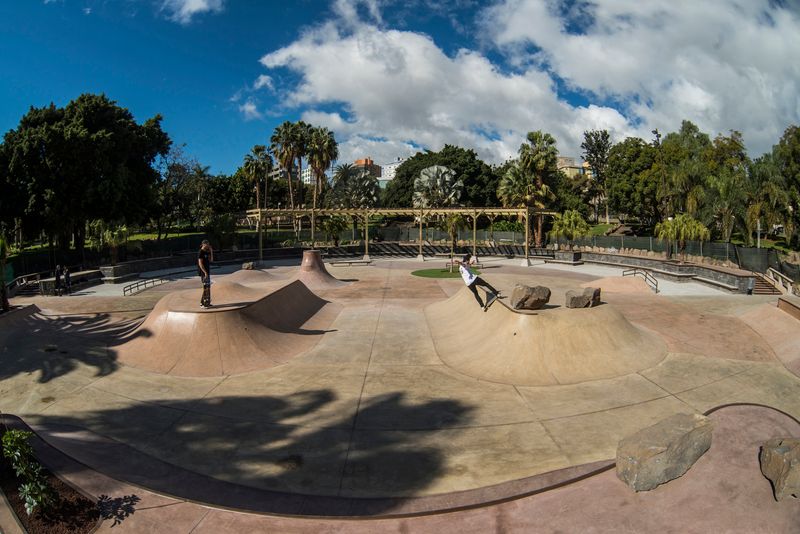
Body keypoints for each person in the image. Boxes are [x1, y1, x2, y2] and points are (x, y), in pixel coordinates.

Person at [198, 240, 214, 308]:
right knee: (205, 287)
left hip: (207, 272)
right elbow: (200, 263)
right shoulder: (200, 252)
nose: (208, 246)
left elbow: (211, 260)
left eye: (208, 244)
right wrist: (205, 273)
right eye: (207, 244)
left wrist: (211, 251)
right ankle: (203, 304)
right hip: (204, 273)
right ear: (203, 244)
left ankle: (205, 302)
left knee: (207, 288)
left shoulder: (206, 252)